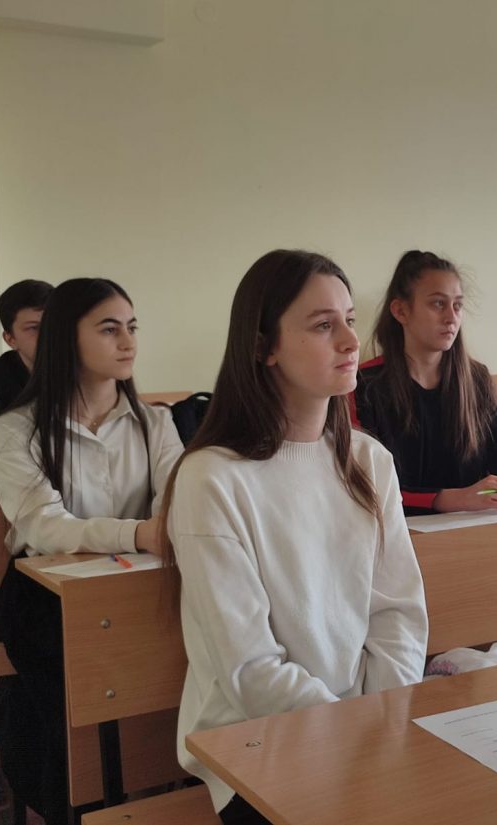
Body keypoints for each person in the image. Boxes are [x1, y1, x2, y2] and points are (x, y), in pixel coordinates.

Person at [163, 250, 428, 824]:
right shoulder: (212, 477)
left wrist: (381, 722)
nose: (351, 341)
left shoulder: (369, 461)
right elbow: (249, 669)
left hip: (367, 728)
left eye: (349, 320)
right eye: (323, 325)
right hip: (256, 744)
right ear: (265, 347)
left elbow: (399, 615)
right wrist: (352, 733)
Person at [0, 278, 183, 825]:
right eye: (109, 329)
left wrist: (155, 534)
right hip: (45, 597)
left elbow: (176, 504)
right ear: (65, 339)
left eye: (132, 327)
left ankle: (162, 794)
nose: (128, 341)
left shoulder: (156, 422)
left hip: (142, 584)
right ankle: (72, 805)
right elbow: (45, 527)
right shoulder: (16, 430)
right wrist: (137, 534)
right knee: (69, 716)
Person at [352, 250, 497, 514]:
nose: (451, 317)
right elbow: (364, 485)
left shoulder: (476, 379)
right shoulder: (365, 384)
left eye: (457, 305)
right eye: (437, 304)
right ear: (400, 311)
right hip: (398, 530)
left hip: (472, 525)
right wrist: (450, 499)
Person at [0, 279, 53, 479]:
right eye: (34, 328)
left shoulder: (91, 375)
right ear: (10, 339)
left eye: (54, 324)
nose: (49, 335)